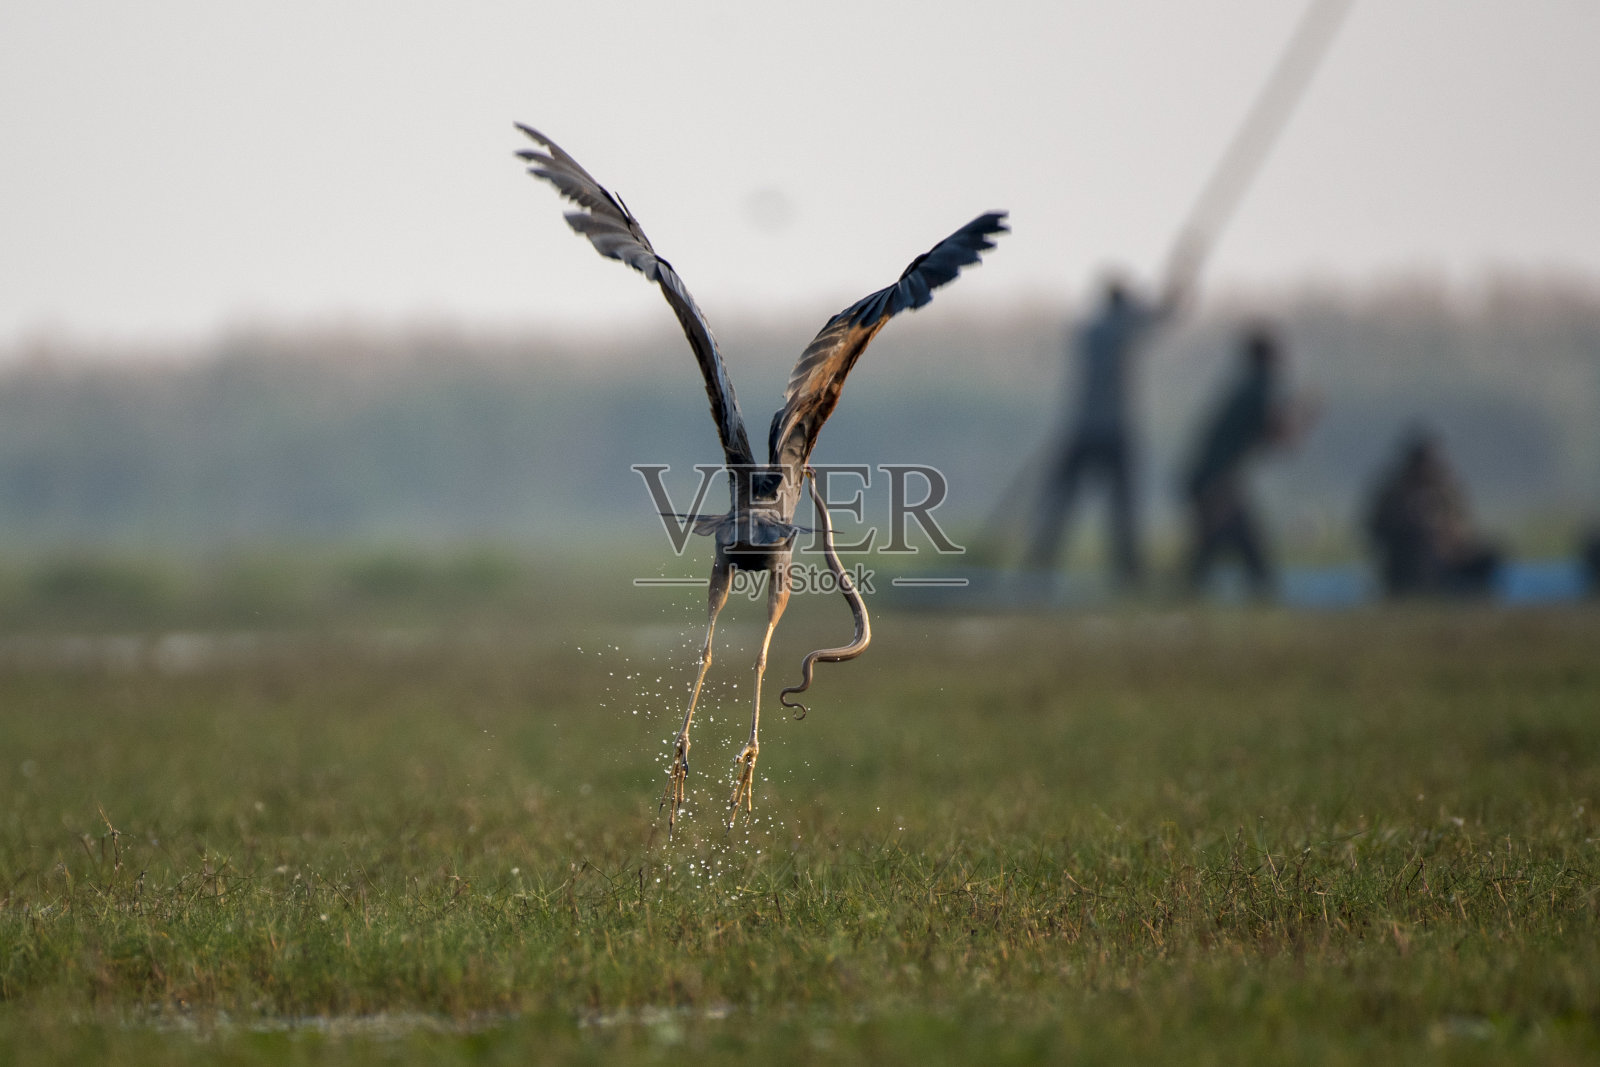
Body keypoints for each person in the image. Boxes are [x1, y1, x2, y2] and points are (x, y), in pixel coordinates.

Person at [1024, 270, 1187, 587]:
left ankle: (1038, 568)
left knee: (1061, 504)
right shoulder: (1119, 328)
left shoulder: (1089, 329)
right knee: (1122, 509)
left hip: (1081, 427)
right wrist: (1175, 291)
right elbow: (1161, 316)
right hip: (1111, 431)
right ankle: (1128, 574)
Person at [1181, 325, 1304, 598]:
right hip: (1218, 481)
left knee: (1218, 543)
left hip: (1213, 478)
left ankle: (1192, 591)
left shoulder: (1246, 387)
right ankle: (1259, 590)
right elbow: (1276, 437)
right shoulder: (1259, 388)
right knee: (1239, 541)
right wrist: (1302, 417)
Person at [1365, 429, 1501, 598]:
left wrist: (1451, 542)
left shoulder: (1446, 491)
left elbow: (1463, 526)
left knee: (1489, 555)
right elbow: (1376, 529)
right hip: (1407, 559)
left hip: (1448, 559)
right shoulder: (1394, 493)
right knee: (1421, 551)